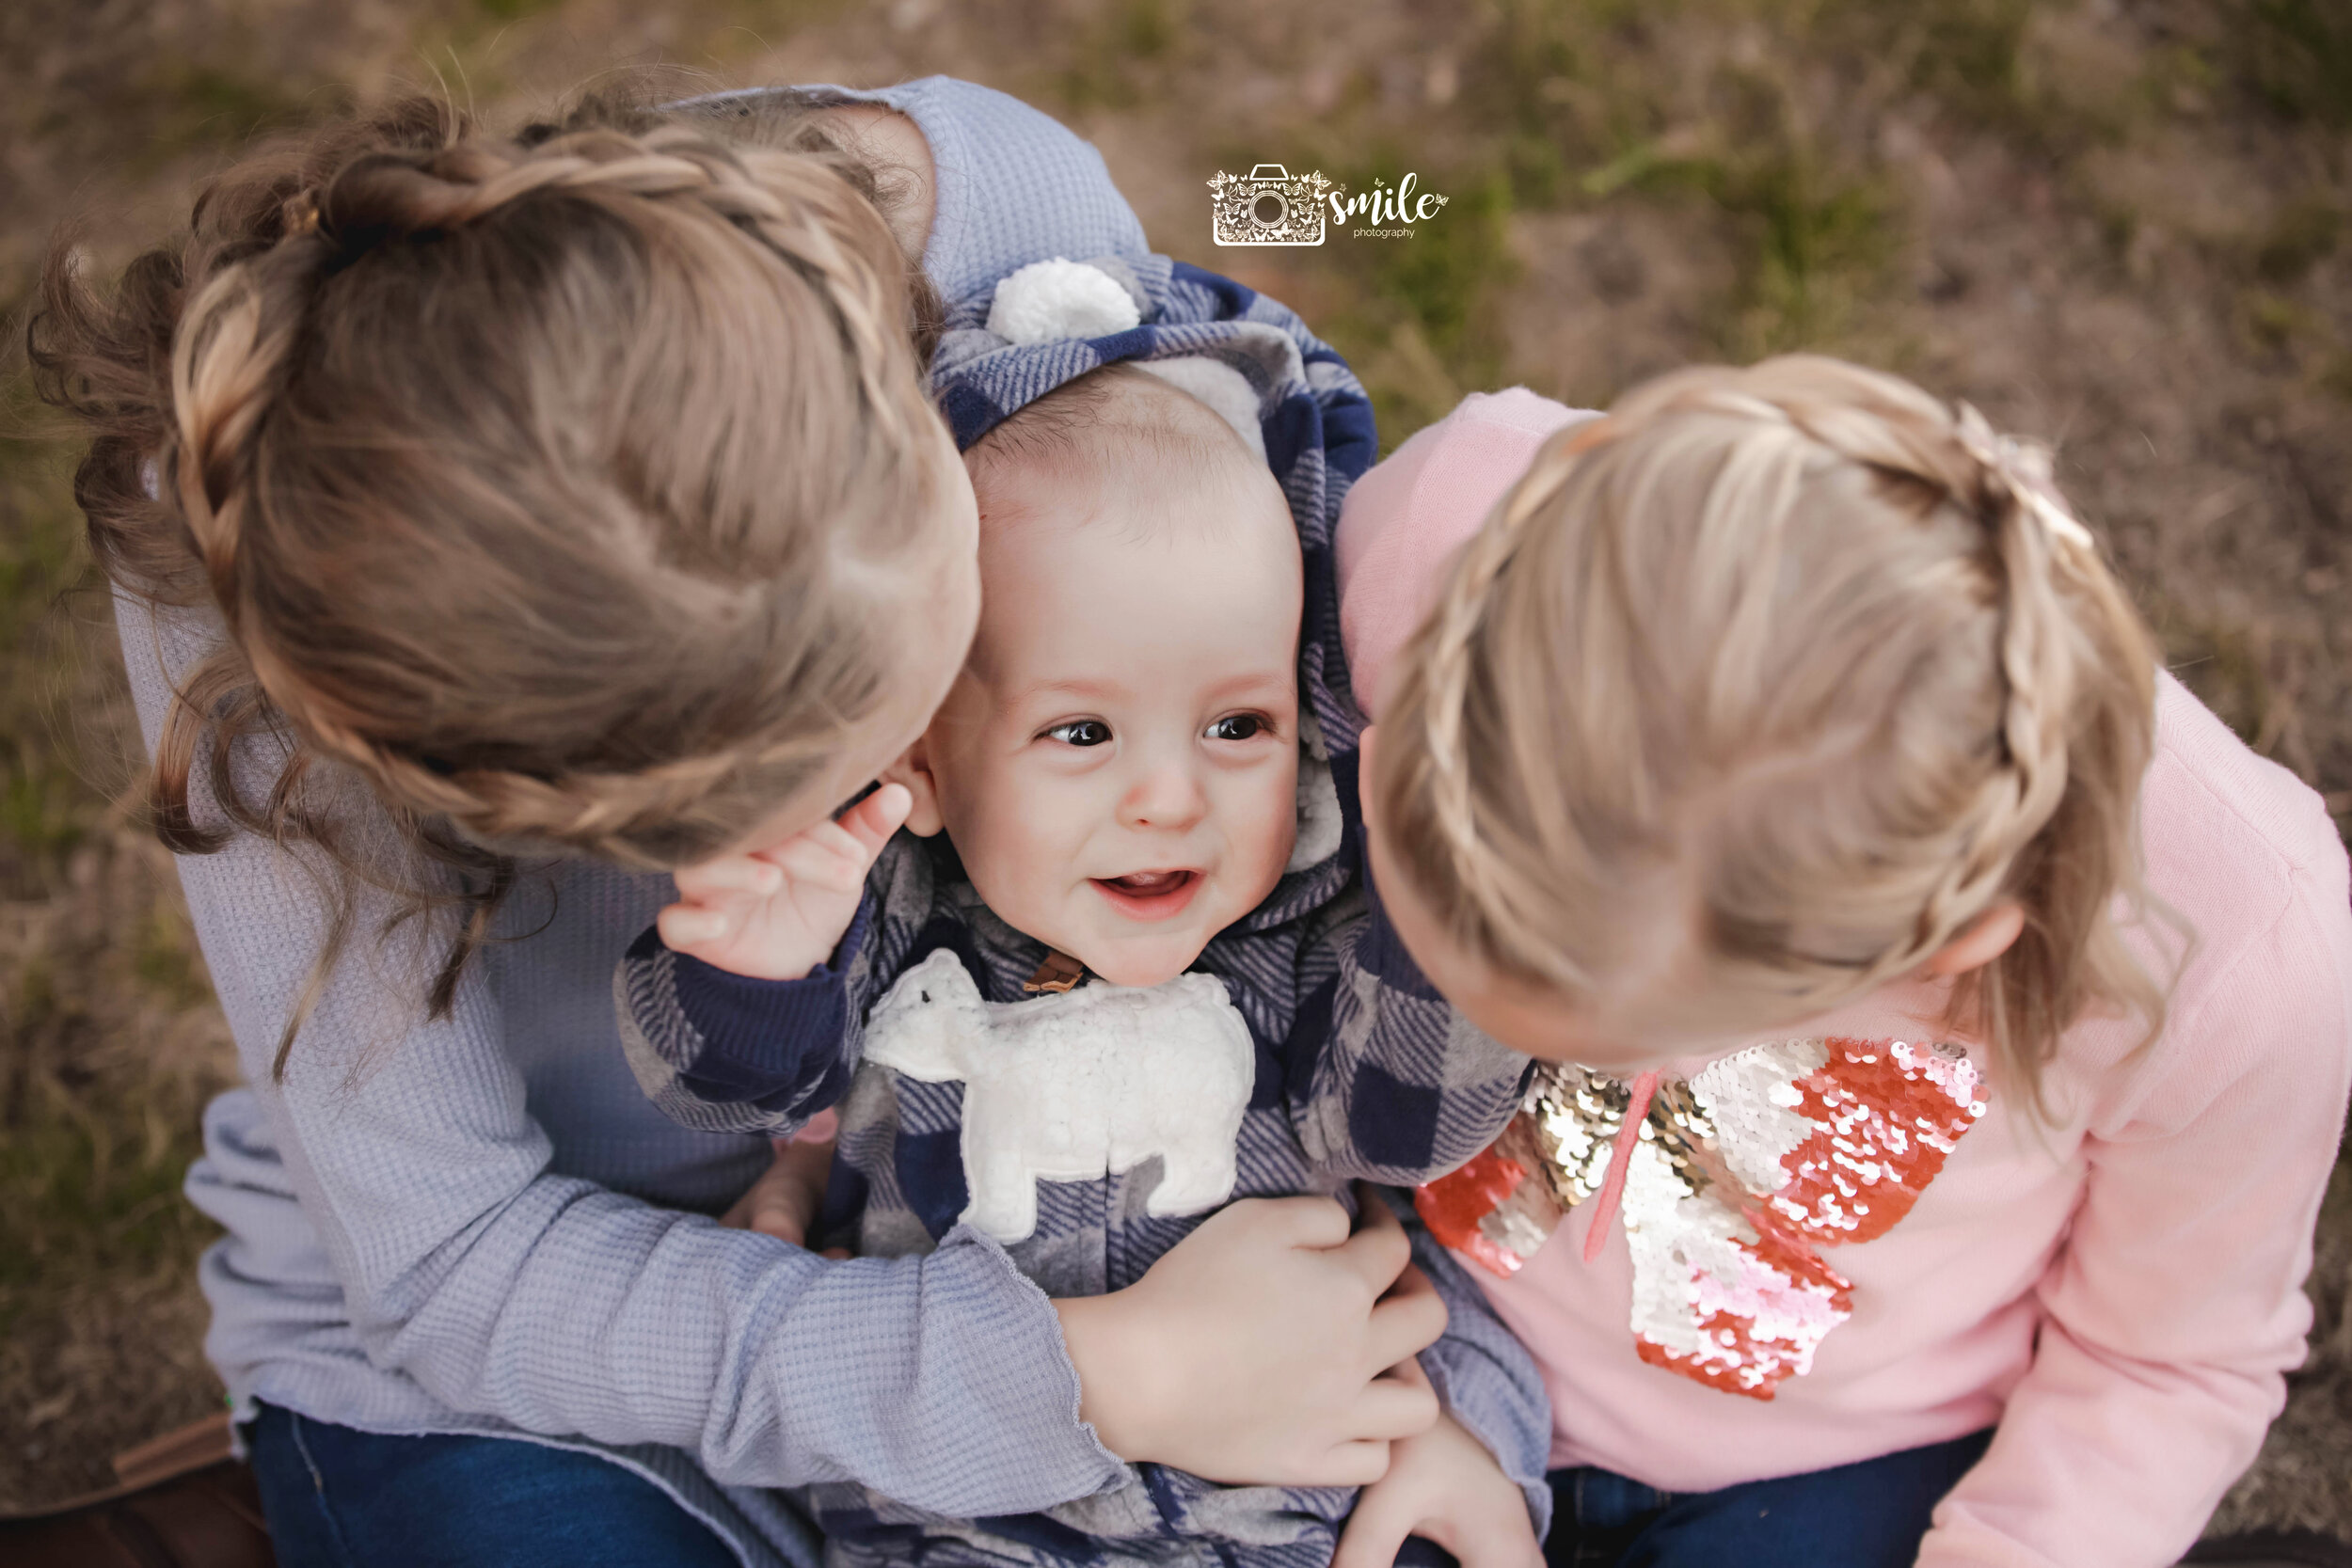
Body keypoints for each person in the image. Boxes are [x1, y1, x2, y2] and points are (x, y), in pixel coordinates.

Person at [30, 79, 1462, 1568]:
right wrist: (1104, 1372)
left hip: (1010, 1187)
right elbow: (452, 1266)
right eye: (830, 791)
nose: (900, 790)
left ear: (909, 401)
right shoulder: (267, 583)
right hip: (557, 1339)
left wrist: (1405, 1380)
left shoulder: (1008, 242)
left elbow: (1289, 801)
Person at [1336, 359, 2352, 1567]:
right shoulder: (1443, 520)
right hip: (1417, 1309)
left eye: (1560, 1007)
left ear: (1935, 946)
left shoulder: (2239, 954)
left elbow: (2164, 1356)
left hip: (1845, 1461)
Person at [619, 356, 1547, 1565]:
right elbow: (730, 1093)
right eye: (1081, 731)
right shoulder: (888, 927)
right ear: (928, 768)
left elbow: (1406, 1127)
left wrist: (1436, 926)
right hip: (964, 1519)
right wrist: (757, 965)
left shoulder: (1290, 953)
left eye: (1236, 724)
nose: (1167, 796)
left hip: (1291, 1512)